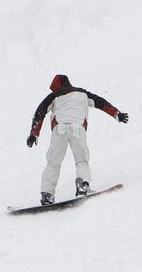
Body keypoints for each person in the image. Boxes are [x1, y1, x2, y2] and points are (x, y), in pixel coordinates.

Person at [26, 74, 128, 205]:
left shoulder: (54, 96)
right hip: (77, 129)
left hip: (59, 130)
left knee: (53, 163)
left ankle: (47, 194)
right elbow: (100, 103)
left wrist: (34, 133)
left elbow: (39, 113)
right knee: (81, 161)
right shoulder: (82, 93)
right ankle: (82, 186)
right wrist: (116, 114)